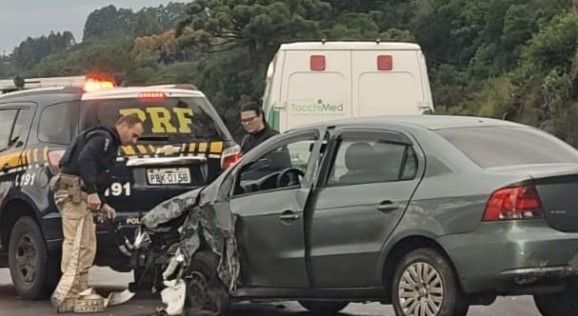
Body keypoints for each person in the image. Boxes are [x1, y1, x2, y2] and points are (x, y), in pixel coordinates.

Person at [50, 114, 143, 312]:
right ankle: (69, 293)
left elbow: (96, 173)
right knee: (77, 244)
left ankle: (78, 291)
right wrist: (92, 192)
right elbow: (85, 161)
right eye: (134, 135)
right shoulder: (104, 139)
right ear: (124, 126)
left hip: (81, 195)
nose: (134, 141)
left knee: (87, 246)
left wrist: (103, 203)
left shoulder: (109, 143)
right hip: (74, 193)